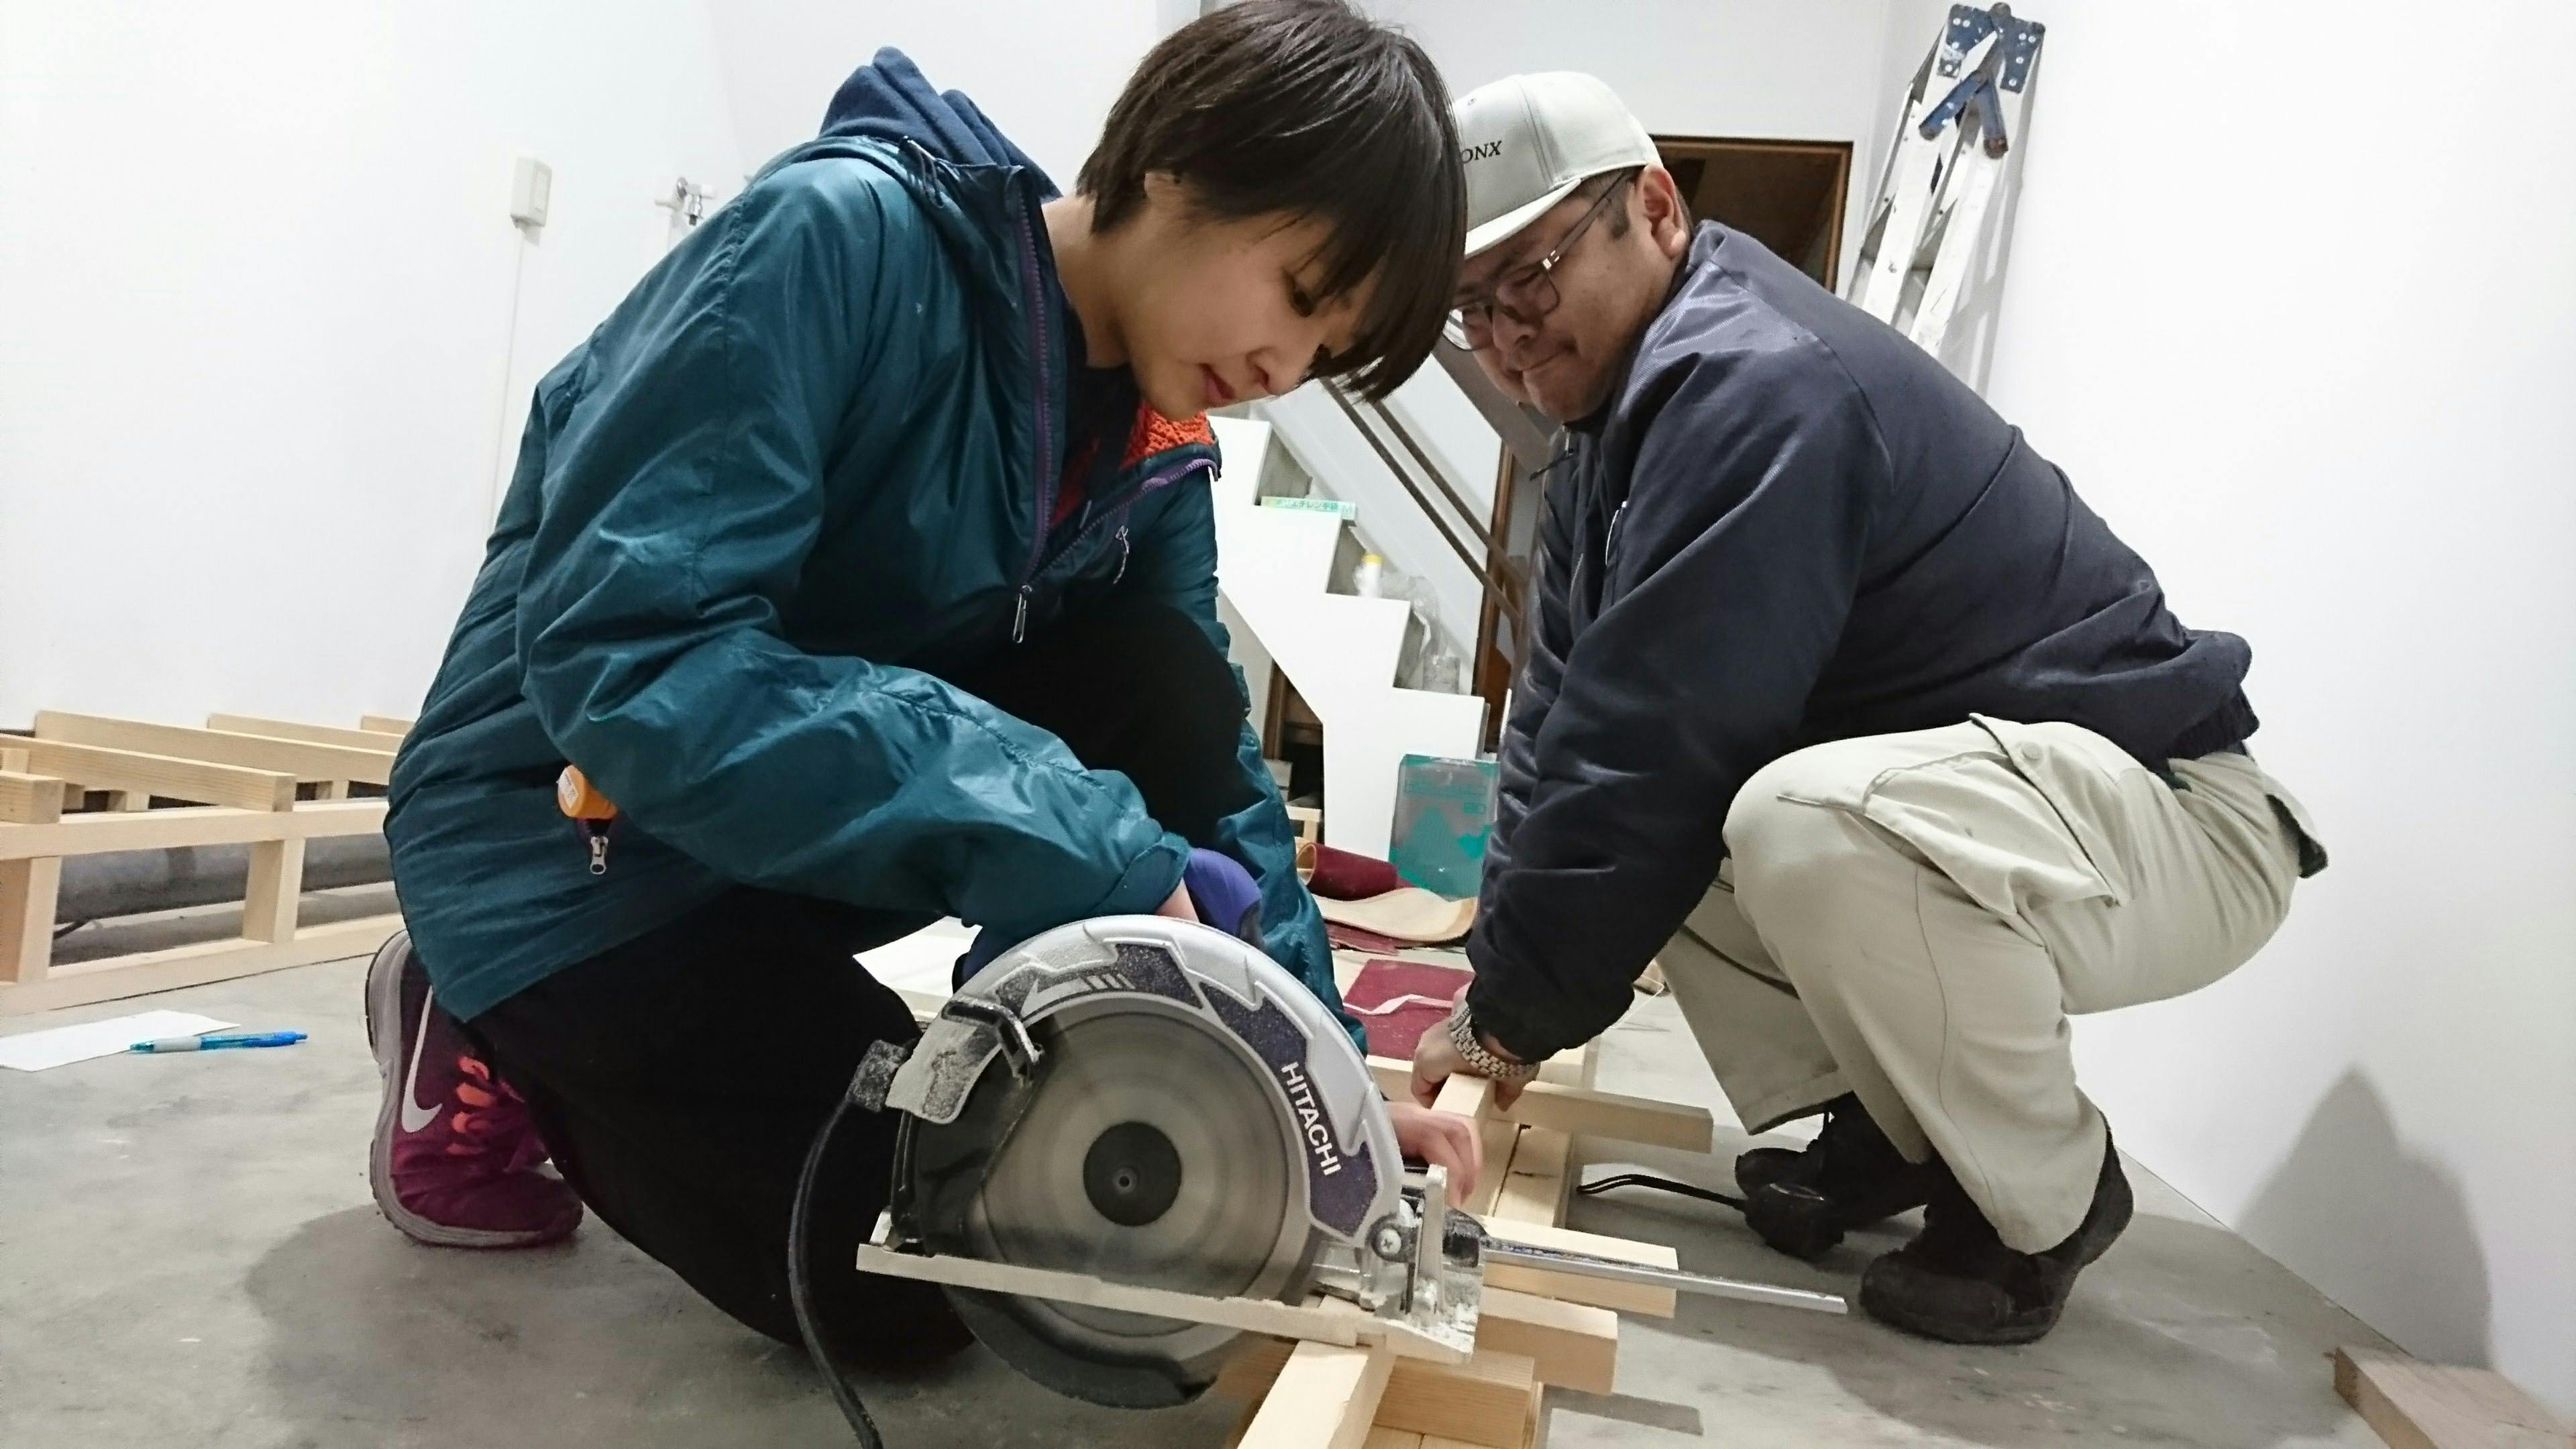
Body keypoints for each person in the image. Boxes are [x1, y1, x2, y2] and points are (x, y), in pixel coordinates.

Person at [367, 0, 1478, 1371]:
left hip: (771, 844)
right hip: (563, 847)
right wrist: (1075, 836)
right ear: (1185, 159)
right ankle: (473, 1012)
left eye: (1325, 355)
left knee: (1156, 682)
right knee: (904, 1288)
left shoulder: (1159, 451)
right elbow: (637, 659)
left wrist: (1323, 1089)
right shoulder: (833, 242)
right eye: (1301, 296)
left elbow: (1203, 768)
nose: (1281, 371)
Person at [1406, 72, 2329, 1346]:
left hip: (2179, 820)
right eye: (1473, 309)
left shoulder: (1755, 385)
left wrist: (1513, 1022)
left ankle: (2048, 1201)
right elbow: (1561, 730)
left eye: (1534, 278)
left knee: (1786, 817)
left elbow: (1656, 748)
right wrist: (1496, 990)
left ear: (1657, 210)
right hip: (2017, 813)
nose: (1507, 335)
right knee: (1702, 836)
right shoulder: (1605, 440)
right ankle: (1900, 1131)